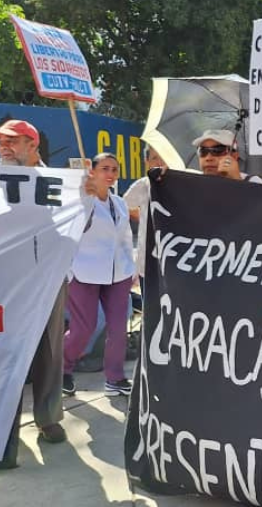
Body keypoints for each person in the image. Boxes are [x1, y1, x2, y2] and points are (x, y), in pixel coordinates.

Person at [0, 120, 68, 470]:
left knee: (49, 350)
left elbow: (75, 226)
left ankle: (48, 417)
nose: (3, 148)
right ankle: (1, 433)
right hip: (2, 280)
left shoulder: (60, 184)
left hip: (46, 278)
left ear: (32, 147)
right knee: (4, 353)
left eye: (12, 142)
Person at [62, 153, 136, 397]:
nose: (111, 174)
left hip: (119, 274)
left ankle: (115, 378)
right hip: (85, 272)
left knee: (117, 329)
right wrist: (86, 197)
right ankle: (62, 367)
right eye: (105, 168)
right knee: (84, 329)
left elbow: (125, 238)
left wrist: (131, 267)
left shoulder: (121, 203)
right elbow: (74, 228)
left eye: (115, 169)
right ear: (92, 171)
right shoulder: (81, 199)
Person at [122, 145, 167, 291]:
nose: (159, 162)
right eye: (154, 158)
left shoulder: (182, 185)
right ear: (146, 161)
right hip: (147, 263)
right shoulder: (143, 185)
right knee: (150, 308)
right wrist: (143, 218)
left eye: (163, 157)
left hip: (174, 263)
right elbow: (124, 205)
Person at [192, 129, 262, 183]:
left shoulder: (253, 181)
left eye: (217, 150)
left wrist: (237, 180)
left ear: (234, 156)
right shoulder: (192, 185)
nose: (208, 158)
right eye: (203, 151)